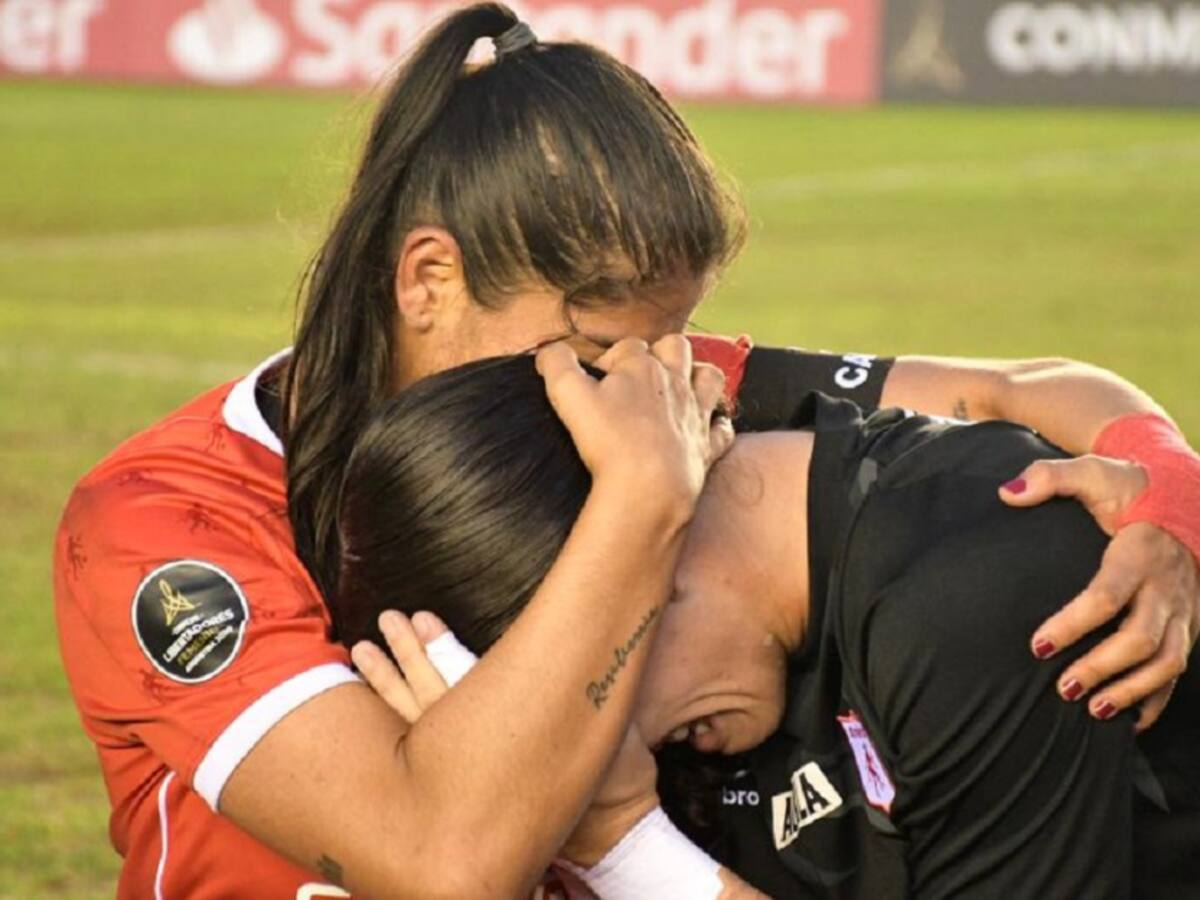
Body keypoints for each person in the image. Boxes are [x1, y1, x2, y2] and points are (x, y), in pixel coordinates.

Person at [52, 3, 1199, 897]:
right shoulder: (174, 518)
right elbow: (441, 864)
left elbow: (1026, 387)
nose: (657, 382)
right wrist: (646, 499)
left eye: (670, 340)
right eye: (599, 342)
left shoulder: (628, 381)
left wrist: (1171, 501)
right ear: (429, 280)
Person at [335, 349, 1200, 899]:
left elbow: (1014, 387)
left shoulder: (981, 592)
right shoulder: (664, 470)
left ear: (638, 554)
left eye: (581, 689)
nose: (593, 740)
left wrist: (623, 847)